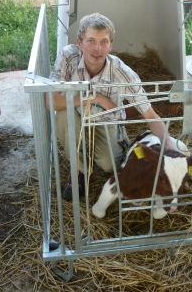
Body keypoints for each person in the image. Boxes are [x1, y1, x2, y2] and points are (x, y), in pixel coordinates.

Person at [47, 13, 174, 200]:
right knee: (63, 114)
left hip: (105, 122)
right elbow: (51, 102)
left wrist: (171, 151)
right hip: (76, 118)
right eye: (91, 41)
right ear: (79, 42)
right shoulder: (68, 57)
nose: (97, 49)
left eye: (104, 42)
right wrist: (94, 97)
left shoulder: (123, 73)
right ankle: (78, 172)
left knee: (109, 165)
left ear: (111, 45)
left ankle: (115, 150)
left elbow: (150, 115)